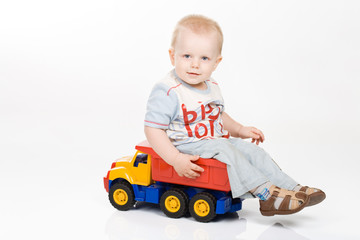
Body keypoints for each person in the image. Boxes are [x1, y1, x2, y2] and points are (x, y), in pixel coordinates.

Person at [144, 14, 325, 216]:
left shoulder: (210, 84)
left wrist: (239, 130)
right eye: (187, 56)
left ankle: (291, 187)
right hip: (186, 145)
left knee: (252, 151)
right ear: (172, 56)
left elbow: (218, 115)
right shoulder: (168, 90)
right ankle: (267, 195)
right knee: (225, 148)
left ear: (216, 62)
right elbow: (153, 128)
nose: (195, 64)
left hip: (214, 141)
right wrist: (175, 158)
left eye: (204, 58)